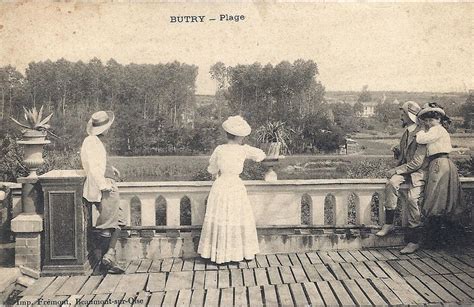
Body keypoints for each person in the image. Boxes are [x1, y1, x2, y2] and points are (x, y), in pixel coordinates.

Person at [198, 115, 266, 264]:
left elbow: (212, 169)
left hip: (221, 186)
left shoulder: (219, 149)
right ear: (239, 136)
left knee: (221, 217)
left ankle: (220, 254)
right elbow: (261, 155)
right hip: (235, 185)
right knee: (236, 217)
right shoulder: (243, 150)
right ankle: (237, 253)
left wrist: (217, 170)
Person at [376, 101, 428, 254]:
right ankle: (389, 223)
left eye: (402, 114)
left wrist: (396, 169)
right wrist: (398, 152)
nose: (401, 117)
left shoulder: (421, 134)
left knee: (413, 200)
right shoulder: (406, 132)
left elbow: (417, 162)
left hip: (418, 173)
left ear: (410, 116)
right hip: (406, 171)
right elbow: (405, 157)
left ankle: (413, 241)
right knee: (391, 183)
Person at [81, 110, 125, 274]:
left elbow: (99, 163)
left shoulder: (94, 141)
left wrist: (111, 169)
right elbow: (92, 167)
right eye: (108, 127)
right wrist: (104, 184)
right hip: (105, 188)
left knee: (119, 220)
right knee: (107, 224)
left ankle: (109, 255)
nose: (109, 130)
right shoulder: (92, 141)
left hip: (107, 183)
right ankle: (103, 264)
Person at [415, 102, 465, 248]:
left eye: (432, 119)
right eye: (426, 120)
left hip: (439, 164)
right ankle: (444, 240)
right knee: (444, 201)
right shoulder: (438, 130)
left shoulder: (437, 129)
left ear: (438, 120)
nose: (429, 123)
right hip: (442, 163)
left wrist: (421, 129)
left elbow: (420, 139)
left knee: (435, 199)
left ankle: (435, 240)